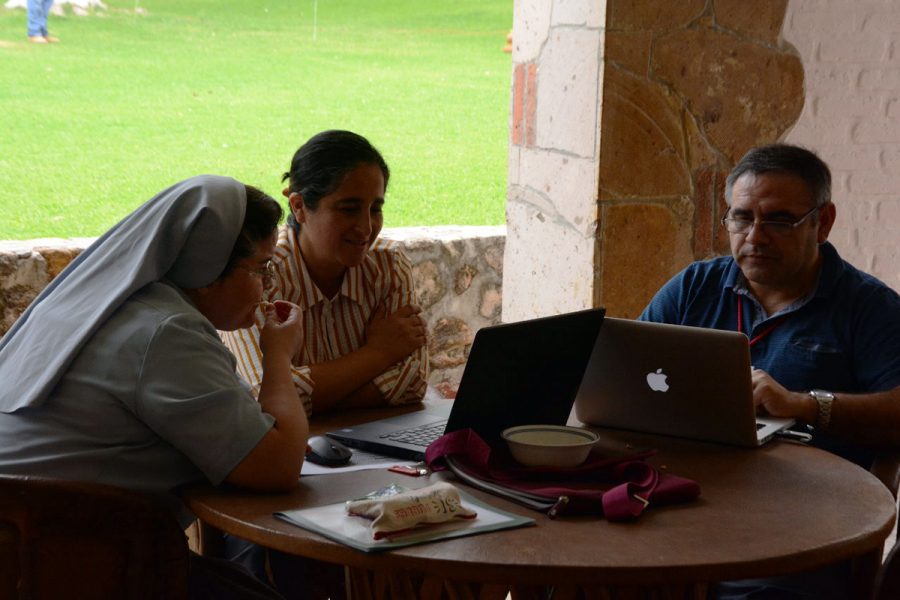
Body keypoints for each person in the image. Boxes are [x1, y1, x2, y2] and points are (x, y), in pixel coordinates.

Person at [0, 175, 308, 599]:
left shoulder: (99, 307)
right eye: (260, 268)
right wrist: (278, 354)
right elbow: (277, 467)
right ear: (207, 266)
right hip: (63, 565)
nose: (267, 286)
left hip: (27, 550)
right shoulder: (166, 331)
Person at [640, 143, 900, 600]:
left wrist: (804, 405)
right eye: (741, 218)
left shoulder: (869, 308)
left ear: (823, 222)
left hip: (806, 526)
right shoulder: (694, 286)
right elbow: (626, 367)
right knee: (577, 576)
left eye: (779, 220)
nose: (755, 237)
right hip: (685, 500)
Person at [222, 130, 429, 417]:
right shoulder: (259, 276)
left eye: (375, 209)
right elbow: (262, 399)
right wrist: (378, 353)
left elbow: (412, 383)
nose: (367, 228)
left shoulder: (388, 265)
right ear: (299, 207)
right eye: (349, 209)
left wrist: (304, 396)